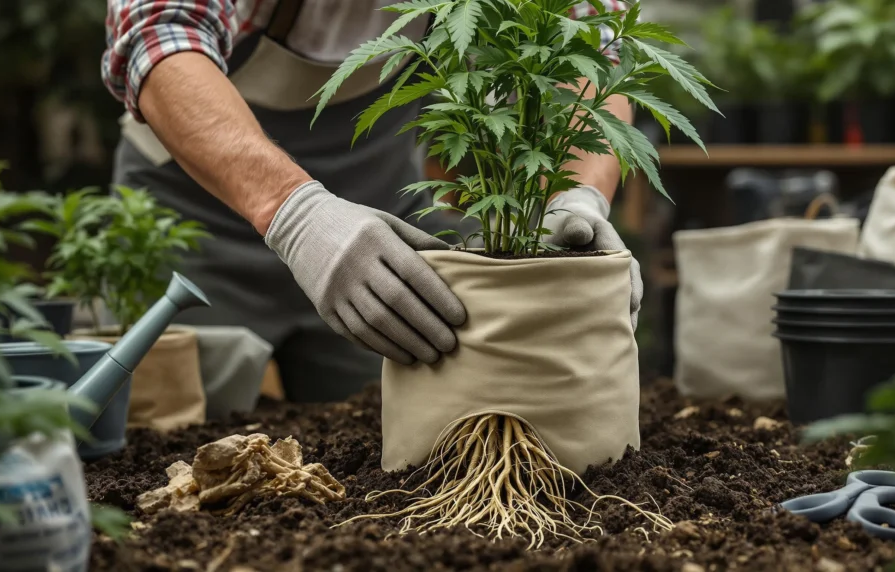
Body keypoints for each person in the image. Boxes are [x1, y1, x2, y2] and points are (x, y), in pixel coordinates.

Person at [102, 0, 644, 404]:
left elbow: (595, 44)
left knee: (373, 440)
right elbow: (161, 37)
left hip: (376, 236)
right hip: (190, 227)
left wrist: (576, 197)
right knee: (178, 437)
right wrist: (299, 216)